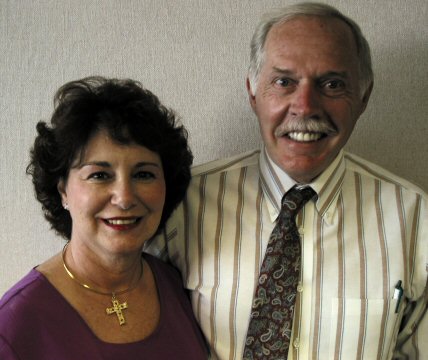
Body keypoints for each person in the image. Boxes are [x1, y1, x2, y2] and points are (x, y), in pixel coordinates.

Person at [145, 2, 427, 360]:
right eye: (284, 81)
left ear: (363, 97)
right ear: (252, 91)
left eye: (332, 83)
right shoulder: (182, 204)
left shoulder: (415, 218)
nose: (305, 106)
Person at [0, 77, 208, 359]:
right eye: (99, 175)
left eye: (143, 174)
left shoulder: (175, 284)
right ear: (63, 190)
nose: (124, 197)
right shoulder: (15, 324)